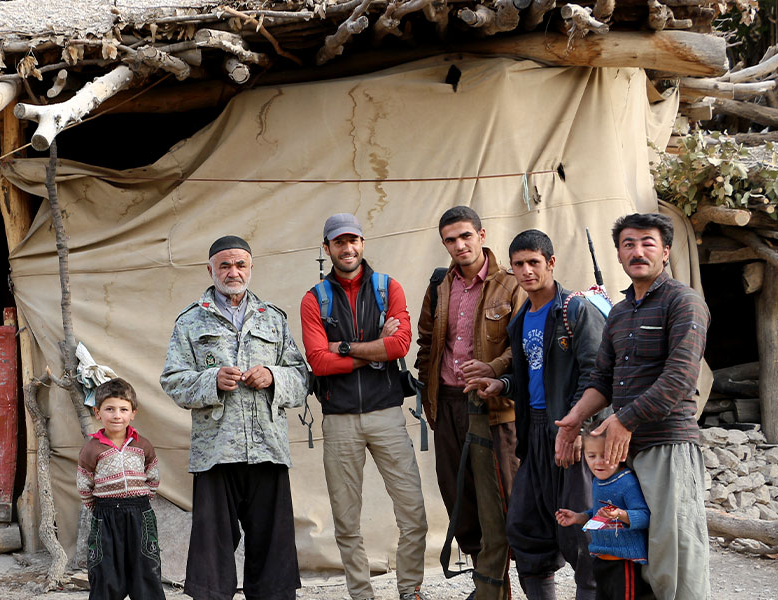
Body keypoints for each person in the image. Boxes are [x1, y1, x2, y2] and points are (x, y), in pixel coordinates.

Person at [554, 212, 711, 600]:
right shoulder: (620, 312)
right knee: (631, 554)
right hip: (624, 452)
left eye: (647, 243)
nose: (637, 251)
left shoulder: (684, 302)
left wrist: (624, 421)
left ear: (666, 251)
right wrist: (573, 420)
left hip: (666, 445)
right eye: (628, 244)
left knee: (674, 554)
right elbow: (602, 379)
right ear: (619, 254)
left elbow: (680, 379)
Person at [161, 235, 309, 600]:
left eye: (240, 264)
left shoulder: (272, 319)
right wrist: (211, 380)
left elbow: (302, 377)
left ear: (251, 268)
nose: (232, 272)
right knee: (212, 546)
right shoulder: (190, 321)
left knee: (272, 544)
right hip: (216, 451)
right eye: (224, 265)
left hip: (268, 449)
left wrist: (273, 376)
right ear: (209, 269)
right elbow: (173, 380)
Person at [300, 214, 429, 600]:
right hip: (338, 421)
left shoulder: (388, 288)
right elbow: (318, 362)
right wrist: (373, 349)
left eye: (353, 240)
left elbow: (399, 346)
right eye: (339, 242)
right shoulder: (314, 298)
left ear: (363, 243)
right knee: (345, 520)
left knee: (414, 514)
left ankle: (410, 591)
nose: (348, 248)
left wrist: (342, 348)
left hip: (387, 414)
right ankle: (362, 595)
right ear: (327, 249)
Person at [469, 230, 603, 600]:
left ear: (551, 263)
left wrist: (577, 428)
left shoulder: (575, 310)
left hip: (571, 431)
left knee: (581, 533)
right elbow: (532, 372)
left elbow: (596, 374)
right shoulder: (520, 320)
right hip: (535, 433)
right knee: (526, 529)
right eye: (519, 264)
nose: (527, 270)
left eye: (534, 262)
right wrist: (502, 385)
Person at [414, 206, 524, 600]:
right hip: (446, 404)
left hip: (493, 408)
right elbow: (427, 342)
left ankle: (497, 589)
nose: (459, 245)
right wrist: (429, 398)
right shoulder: (440, 285)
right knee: (459, 500)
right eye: (450, 239)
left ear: (481, 234)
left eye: (465, 236)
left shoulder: (510, 284)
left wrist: (492, 370)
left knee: (498, 502)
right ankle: (488, 586)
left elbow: (523, 346)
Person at [77, 378, 165, 600]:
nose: (117, 415)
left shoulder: (142, 445)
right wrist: (97, 507)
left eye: (123, 409)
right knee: (105, 569)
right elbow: (84, 484)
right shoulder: (91, 449)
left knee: (145, 566)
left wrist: (142, 502)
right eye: (109, 409)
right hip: (105, 515)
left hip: (139, 513)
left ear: (133, 413)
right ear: (97, 413)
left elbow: (153, 477)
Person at [554, 421, 655, 600]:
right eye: (591, 456)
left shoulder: (627, 482)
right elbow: (600, 514)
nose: (598, 462)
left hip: (624, 564)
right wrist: (578, 517)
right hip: (601, 560)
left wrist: (620, 514)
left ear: (620, 452)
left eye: (605, 455)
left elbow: (645, 516)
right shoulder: (598, 481)